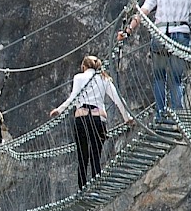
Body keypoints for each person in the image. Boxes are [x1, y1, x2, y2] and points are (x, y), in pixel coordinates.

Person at [49, 55, 135, 189]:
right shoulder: (104, 78)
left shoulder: (79, 77)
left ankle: (82, 189)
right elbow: (118, 98)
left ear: (84, 67)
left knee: (82, 156)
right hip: (98, 120)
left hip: (81, 119)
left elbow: (74, 97)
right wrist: (127, 117)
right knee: (96, 155)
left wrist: (59, 110)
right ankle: (96, 188)